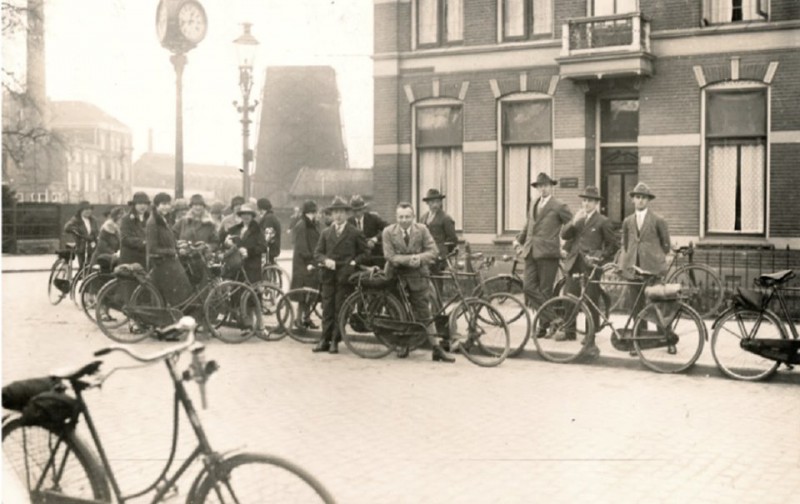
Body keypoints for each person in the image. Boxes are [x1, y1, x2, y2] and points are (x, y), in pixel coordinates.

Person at [383, 202, 454, 363]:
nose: (404, 220)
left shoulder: (422, 230)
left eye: (407, 216)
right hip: (396, 276)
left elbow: (433, 251)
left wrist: (420, 258)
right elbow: (389, 256)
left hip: (418, 276)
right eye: (401, 217)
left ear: (413, 217)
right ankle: (402, 344)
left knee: (425, 313)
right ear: (396, 218)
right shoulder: (388, 232)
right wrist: (410, 259)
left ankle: (437, 349)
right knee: (398, 312)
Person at [560, 186, 618, 357]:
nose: (586, 204)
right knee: (569, 294)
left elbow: (613, 245)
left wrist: (600, 257)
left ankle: (590, 335)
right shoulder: (578, 219)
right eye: (584, 200)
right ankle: (569, 330)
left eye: (590, 201)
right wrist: (573, 221)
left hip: (591, 265)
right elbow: (565, 235)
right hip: (574, 262)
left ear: (596, 203)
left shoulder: (602, 221)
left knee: (590, 298)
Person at [513, 172, 573, 336]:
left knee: (545, 290)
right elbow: (529, 225)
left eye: (546, 185)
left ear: (551, 186)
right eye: (540, 186)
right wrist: (519, 240)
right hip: (530, 250)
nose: (543, 189)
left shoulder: (559, 205)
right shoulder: (534, 203)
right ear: (537, 188)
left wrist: (565, 247)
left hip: (548, 253)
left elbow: (571, 226)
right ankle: (555, 319)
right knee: (528, 287)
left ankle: (542, 326)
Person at [313, 196, 368, 354]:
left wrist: (353, 263)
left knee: (340, 308)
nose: (338, 216)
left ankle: (335, 341)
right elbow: (317, 253)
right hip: (328, 276)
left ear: (347, 214)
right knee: (327, 308)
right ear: (331, 215)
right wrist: (325, 260)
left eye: (341, 212)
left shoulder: (354, 232)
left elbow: (365, 253)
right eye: (335, 212)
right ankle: (324, 339)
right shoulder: (325, 233)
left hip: (345, 276)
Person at [618, 182, 671, 344]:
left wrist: (659, 260)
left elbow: (666, 244)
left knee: (658, 305)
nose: (640, 201)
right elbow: (626, 244)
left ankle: (666, 338)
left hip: (652, 269)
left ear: (648, 201)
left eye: (644, 198)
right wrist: (625, 264)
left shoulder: (658, 220)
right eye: (638, 197)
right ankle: (640, 340)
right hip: (634, 269)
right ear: (633, 200)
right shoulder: (627, 221)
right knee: (636, 307)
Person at [146, 192, 193, 306]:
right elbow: (152, 248)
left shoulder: (163, 219)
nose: (166, 206)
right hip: (162, 263)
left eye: (168, 204)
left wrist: (177, 244)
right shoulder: (153, 222)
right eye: (163, 204)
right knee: (183, 285)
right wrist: (173, 251)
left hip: (167, 261)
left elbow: (166, 240)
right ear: (156, 205)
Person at [291, 200, 321, 330]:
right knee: (303, 294)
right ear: (308, 213)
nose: (314, 215)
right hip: (303, 264)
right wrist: (310, 260)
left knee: (308, 293)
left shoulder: (311, 224)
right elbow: (302, 247)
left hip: (310, 262)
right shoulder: (302, 225)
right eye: (313, 212)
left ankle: (306, 318)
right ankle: (298, 319)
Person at [220, 203, 268, 284]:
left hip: (251, 267)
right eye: (243, 214)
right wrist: (227, 243)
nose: (246, 216)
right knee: (236, 291)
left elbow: (263, 247)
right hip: (236, 267)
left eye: (248, 214)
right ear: (240, 216)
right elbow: (226, 243)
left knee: (252, 292)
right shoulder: (235, 229)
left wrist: (248, 251)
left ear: (252, 216)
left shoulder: (257, 230)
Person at [419, 188, 458, 275]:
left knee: (437, 280)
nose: (435, 205)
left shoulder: (446, 218)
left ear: (440, 203)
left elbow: (453, 239)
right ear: (427, 203)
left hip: (439, 256)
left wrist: (444, 253)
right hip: (425, 254)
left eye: (437, 202)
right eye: (432, 202)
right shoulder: (423, 218)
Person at [347, 194, 387, 267]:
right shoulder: (348, 222)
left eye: (359, 210)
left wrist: (375, 239)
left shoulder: (373, 218)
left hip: (374, 257)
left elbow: (387, 228)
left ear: (363, 209)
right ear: (351, 211)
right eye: (355, 211)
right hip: (356, 258)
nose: (357, 213)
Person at [63, 200, 99, 269]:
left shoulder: (93, 220)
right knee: (82, 267)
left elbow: (97, 231)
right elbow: (67, 228)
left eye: (89, 209)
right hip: (81, 246)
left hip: (92, 246)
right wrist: (77, 232)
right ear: (81, 211)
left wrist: (94, 237)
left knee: (91, 266)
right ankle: (80, 277)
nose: (88, 211)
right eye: (86, 209)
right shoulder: (76, 220)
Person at [90, 206, 126, 272]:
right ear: (116, 218)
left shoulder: (118, 230)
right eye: (121, 219)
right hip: (102, 260)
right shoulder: (107, 229)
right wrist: (114, 254)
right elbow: (102, 246)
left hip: (111, 260)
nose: (122, 221)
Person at [120, 192, 150, 268]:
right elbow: (125, 238)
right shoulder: (126, 219)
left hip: (146, 258)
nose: (143, 206)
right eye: (140, 203)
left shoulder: (150, 218)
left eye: (145, 203)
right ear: (134, 204)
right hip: (131, 259)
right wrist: (143, 242)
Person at [256, 197, 282, 264]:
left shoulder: (268, 218)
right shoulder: (271, 217)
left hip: (269, 250)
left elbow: (267, 236)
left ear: (261, 209)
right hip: (272, 249)